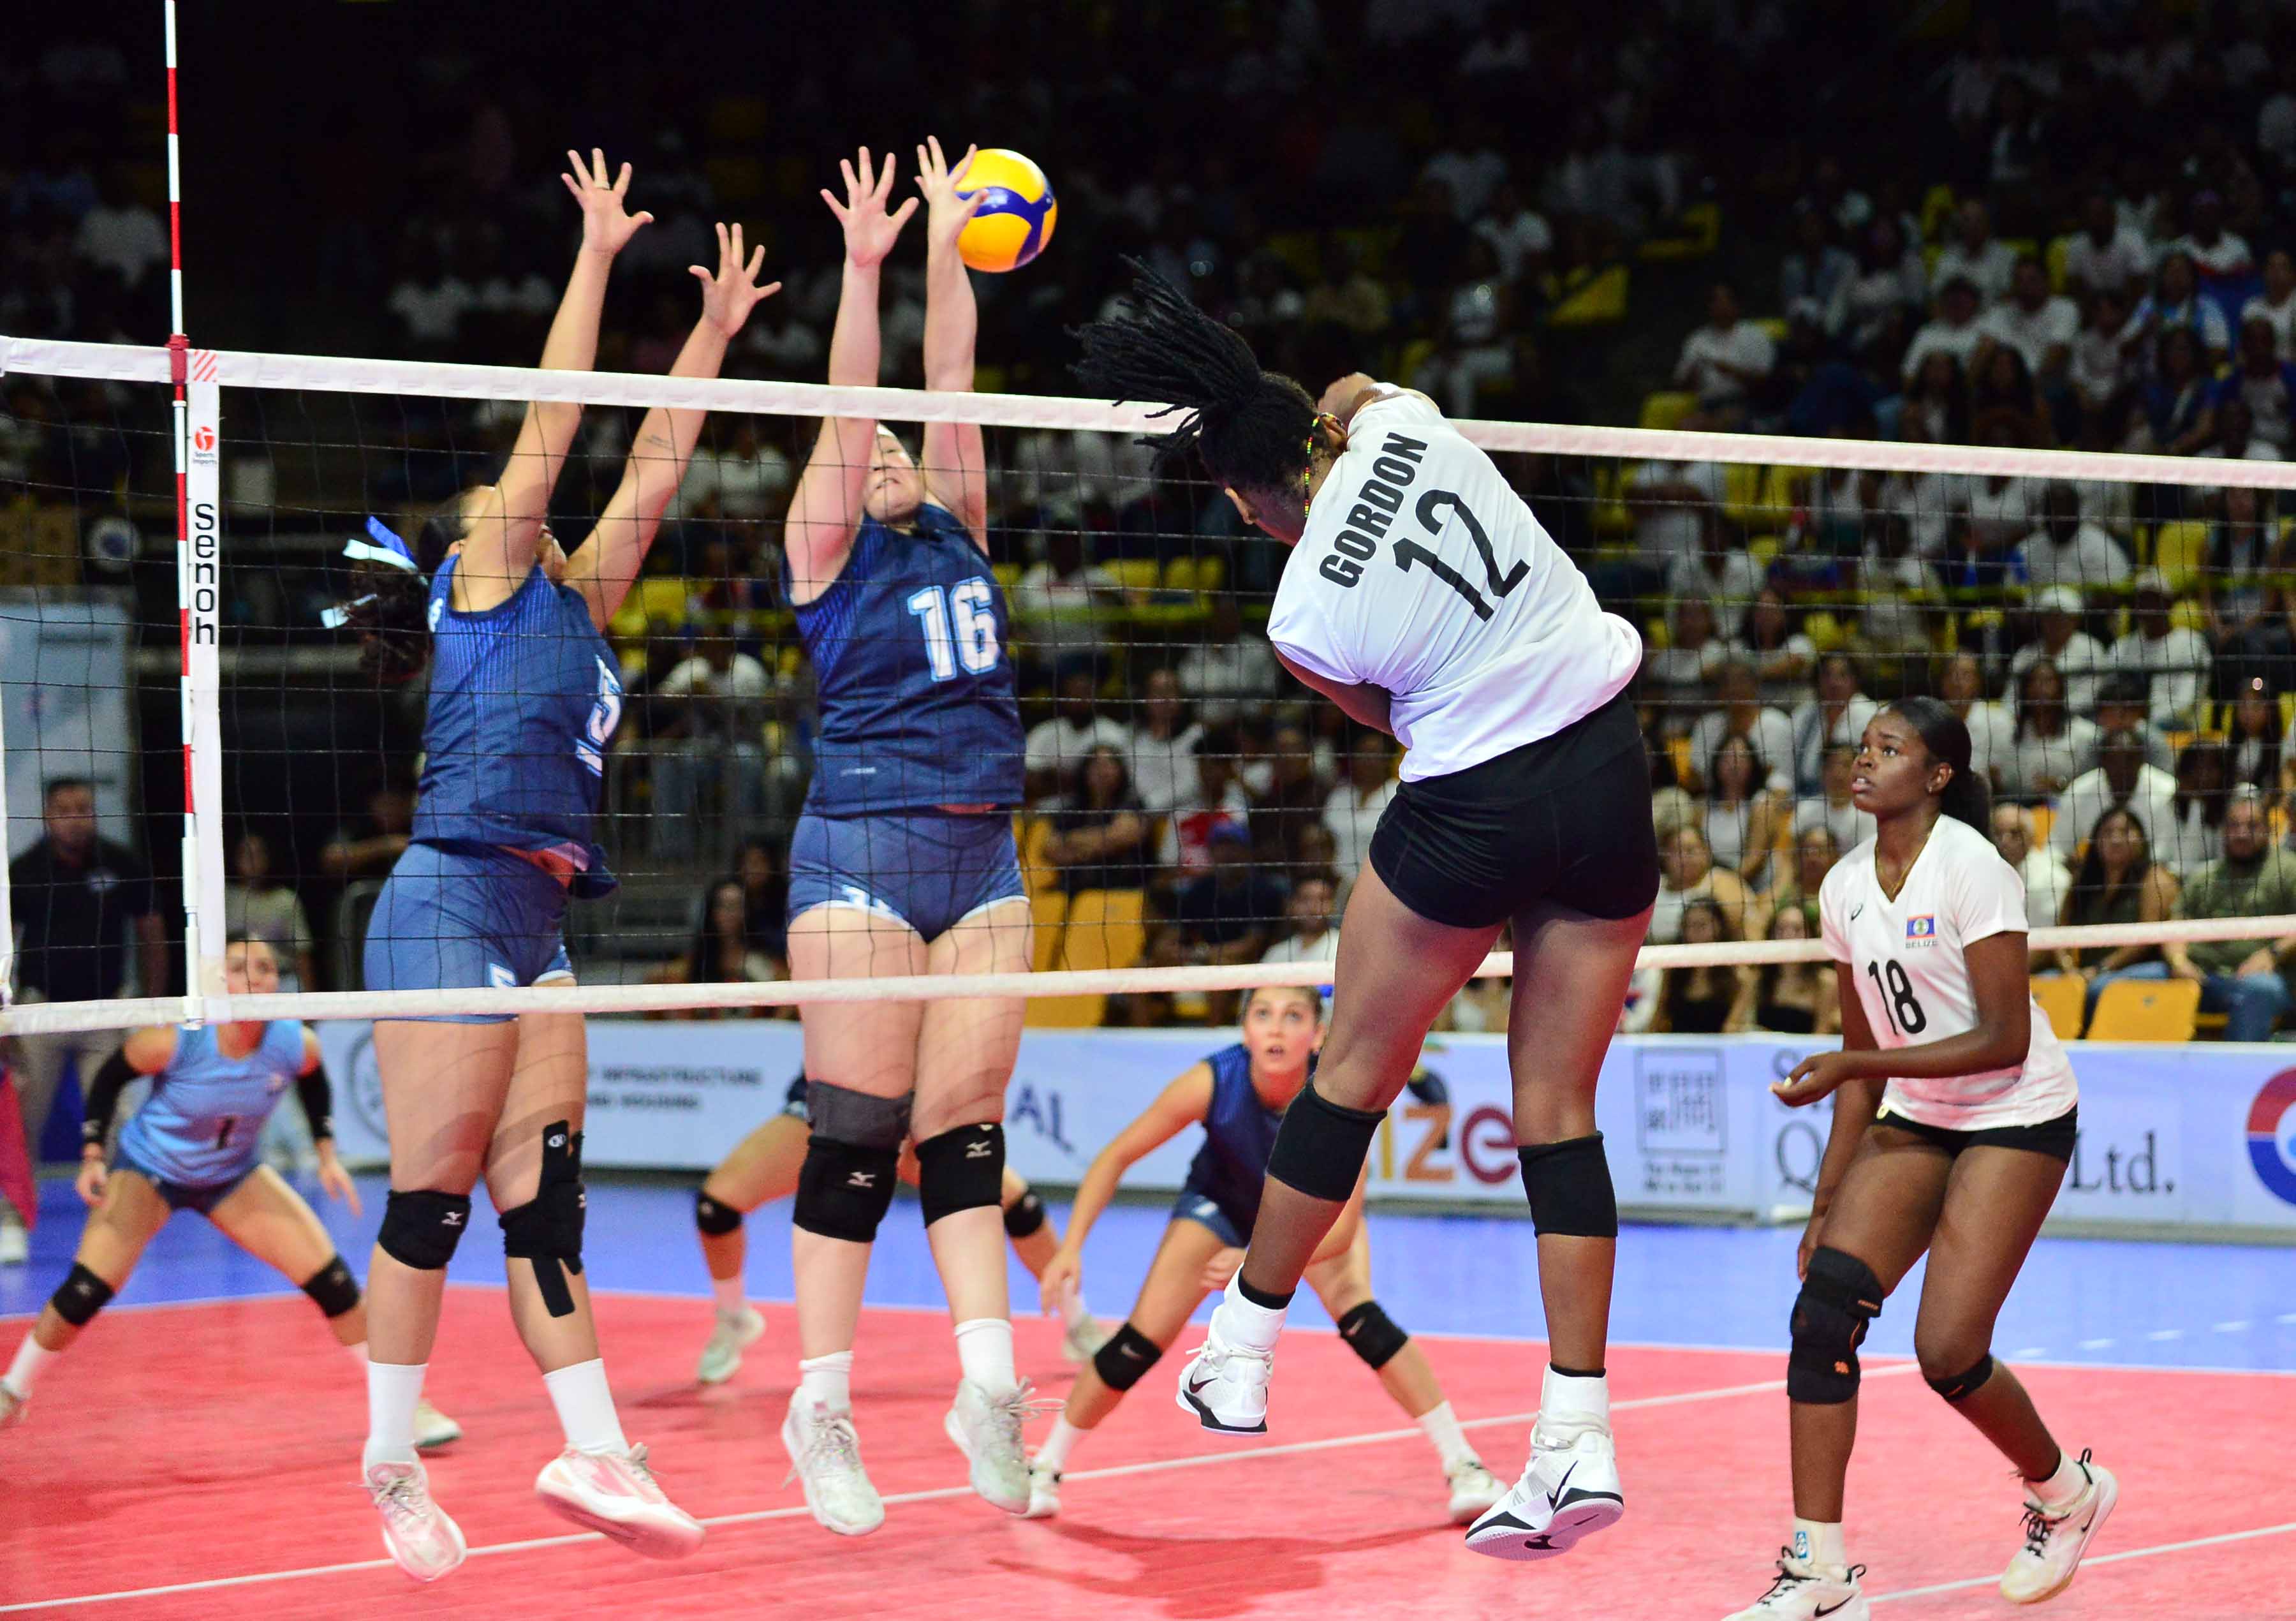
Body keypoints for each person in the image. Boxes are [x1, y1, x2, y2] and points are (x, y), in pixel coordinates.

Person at [1077, 265, 1657, 1563]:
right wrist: (1322, 406)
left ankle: (1242, 1344)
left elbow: (1392, 718)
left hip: (1478, 802)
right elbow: (1351, 388)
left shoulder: (1303, 611)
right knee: (1559, 1111)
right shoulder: (1405, 420)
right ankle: (1578, 1430)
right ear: (1319, 428)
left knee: (1347, 1078)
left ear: (1248, 503)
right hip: (1609, 767)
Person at [332, 151, 776, 1578]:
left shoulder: (584, 605)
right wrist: (593, 254)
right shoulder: (486, 580)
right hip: (448, 895)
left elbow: (656, 460)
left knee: (548, 1207)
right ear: (475, 541)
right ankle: (392, 1463)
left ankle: (596, 1449)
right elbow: (559, 413)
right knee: (434, 1195)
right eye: (504, 502)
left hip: (539, 915)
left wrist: (711, 331)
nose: (525, 509)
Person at [774, 142, 1036, 1537]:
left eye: (898, 451)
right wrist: (866, 266)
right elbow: (860, 398)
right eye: (866, 449)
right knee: (859, 1134)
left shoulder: (960, 523)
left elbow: (950, 377)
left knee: (966, 1134)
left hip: (984, 856)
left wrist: (945, 239)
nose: (885, 455)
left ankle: (987, 1385)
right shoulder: (827, 551)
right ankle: (820, 1405)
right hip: (862, 853)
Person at [1725, 699, 2112, 1619]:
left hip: (2016, 1111)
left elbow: (2003, 1039)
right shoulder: (1843, 887)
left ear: (1937, 776)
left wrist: (1857, 1064)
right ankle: (1820, 1576)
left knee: (1947, 1352)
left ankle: (2066, 1492)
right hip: (1919, 1112)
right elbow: (1862, 1058)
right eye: (1862, 747)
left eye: (1889, 749)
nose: (1864, 761)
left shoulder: (1973, 868)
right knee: (1823, 1317)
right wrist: (1826, 1203)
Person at [1026, 986, 1503, 1523]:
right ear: (1245, 1030)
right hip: (1222, 1208)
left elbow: (1342, 1232)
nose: (1276, 1027)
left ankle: (1464, 1464)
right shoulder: (1213, 1081)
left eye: (1293, 1015)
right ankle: (1045, 1466)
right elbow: (1117, 1155)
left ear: (1317, 1035)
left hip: (1310, 1220)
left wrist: (1255, 1262)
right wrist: (1070, 1247)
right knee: (1137, 1342)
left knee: (1363, 1319)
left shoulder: (1341, 1093)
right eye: (1263, 1014)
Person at [0, 937, 458, 1449]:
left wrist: (327, 1152)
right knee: (85, 1289)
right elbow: (110, 1077)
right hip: (151, 1169)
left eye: (264, 967)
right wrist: (92, 1155)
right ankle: (12, 1389)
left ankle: (404, 1412)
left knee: (336, 1284)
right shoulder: (178, 1038)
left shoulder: (293, 1042)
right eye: (240, 968)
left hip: (232, 1175)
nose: (255, 977)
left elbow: (313, 1081)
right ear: (219, 980)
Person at [689, 1076, 1106, 1388]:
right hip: (833, 1108)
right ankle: (734, 1319)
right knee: (716, 1205)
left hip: (921, 1114)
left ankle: (1078, 1321)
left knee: (1018, 1204)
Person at [2, 776, 166, 1264]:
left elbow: (153, 932)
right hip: (40, 1011)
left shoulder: (119, 863)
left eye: (85, 808)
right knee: (19, 1122)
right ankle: (10, 1220)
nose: (77, 818)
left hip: (105, 1011)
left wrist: (153, 1007)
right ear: (48, 816)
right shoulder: (25, 870)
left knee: (113, 1121)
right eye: (66, 810)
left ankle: (119, 1218)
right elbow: (5, 941)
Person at [2159, 790, 2296, 1042]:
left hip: (2264, 978)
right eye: (2234, 825)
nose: (2241, 833)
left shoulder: (2289, 870)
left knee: (2258, 990)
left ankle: (2240, 1067)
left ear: (2268, 830)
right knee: (2115, 985)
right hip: (2199, 975)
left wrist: (2272, 953)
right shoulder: (2204, 876)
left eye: (2252, 826)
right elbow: (2175, 925)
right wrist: (2178, 962)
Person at [2056, 807, 2178, 1025]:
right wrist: (2069, 970)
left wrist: (2100, 969)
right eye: (2107, 832)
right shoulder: (2083, 879)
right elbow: (2060, 933)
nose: (2116, 839)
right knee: (2045, 984)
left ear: (2141, 840)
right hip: (2087, 971)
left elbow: (2145, 939)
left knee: (2098, 989)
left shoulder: (2155, 879)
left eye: (2125, 831)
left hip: (2145, 967)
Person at [1734, 905, 1838, 1035]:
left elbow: (1823, 1034)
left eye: (1797, 929)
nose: (1788, 935)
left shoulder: (1826, 983)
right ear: (1771, 935)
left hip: (1806, 1048)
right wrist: (1752, 1033)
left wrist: (1783, 1042)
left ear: (1810, 935)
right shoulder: (1757, 980)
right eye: (1781, 929)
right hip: (1764, 1048)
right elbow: (1731, 1027)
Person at [1654, 899, 1748, 1034]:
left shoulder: (1738, 977)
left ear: (1720, 927)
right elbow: (1658, 1019)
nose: (1695, 931)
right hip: (1677, 1044)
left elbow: (1732, 1028)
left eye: (1702, 925)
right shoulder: (1673, 971)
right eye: (1689, 925)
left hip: (1719, 1045)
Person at [1990, 804, 2070, 936]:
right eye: (1998, 833)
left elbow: (2053, 933)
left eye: (2015, 833)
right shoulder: (1981, 873)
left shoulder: (2054, 877)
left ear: (2031, 836)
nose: (2005, 841)